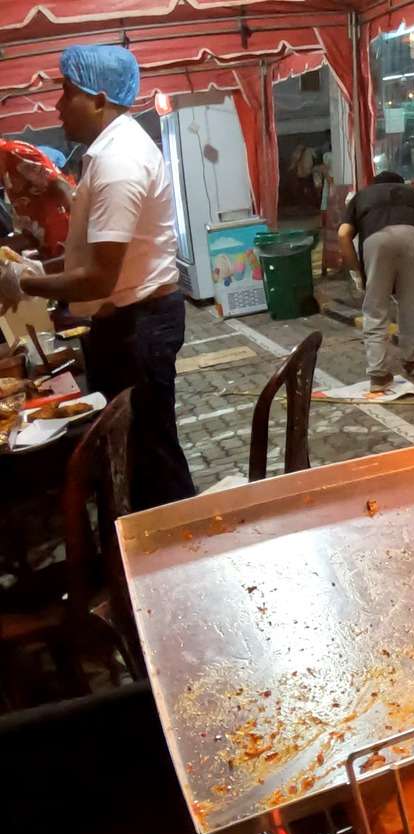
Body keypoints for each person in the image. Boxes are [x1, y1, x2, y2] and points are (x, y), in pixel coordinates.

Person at [0, 46, 194, 509]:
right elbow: (92, 250)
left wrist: (22, 282)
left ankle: (177, 550)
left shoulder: (117, 161)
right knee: (141, 449)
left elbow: (99, 277)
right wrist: (37, 259)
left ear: (99, 98)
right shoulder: (109, 152)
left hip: (138, 325)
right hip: (133, 319)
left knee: (150, 456)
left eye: (67, 93)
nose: (57, 105)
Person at [338, 171, 414, 387]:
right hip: (412, 237)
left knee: (375, 306)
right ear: (400, 184)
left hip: (377, 241)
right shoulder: (413, 193)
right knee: (409, 302)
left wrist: (356, 271)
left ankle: (378, 371)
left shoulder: (362, 195)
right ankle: (413, 361)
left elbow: (342, 234)